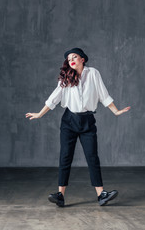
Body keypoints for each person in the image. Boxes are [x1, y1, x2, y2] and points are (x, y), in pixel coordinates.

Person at [25, 48, 131, 207]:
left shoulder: (93, 73)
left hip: (87, 121)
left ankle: (101, 195)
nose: (71, 60)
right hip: (69, 121)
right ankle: (60, 195)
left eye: (74, 57)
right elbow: (54, 97)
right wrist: (40, 113)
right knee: (65, 156)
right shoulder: (66, 77)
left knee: (92, 157)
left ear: (83, 59)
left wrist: (116, 111)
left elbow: (103, 94)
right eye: (68, 59)